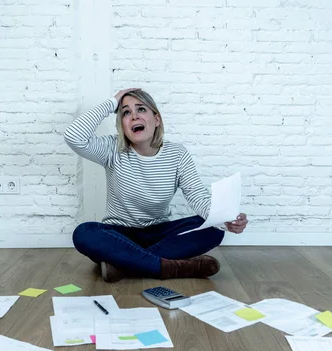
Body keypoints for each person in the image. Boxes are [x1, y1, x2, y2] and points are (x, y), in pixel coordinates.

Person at [64, 88, 248, 282]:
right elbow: (73, 136)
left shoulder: (177, 154)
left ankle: (123, 264)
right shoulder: (112, 149)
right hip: (118, 234)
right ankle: (166, 267)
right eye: (126, 112)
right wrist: (113, 101)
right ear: (122, 125)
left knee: (212, 229)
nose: (134, 116)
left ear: (156, 119)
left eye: (141, 109)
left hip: (159, 234)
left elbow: (198, 197)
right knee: (84, 233)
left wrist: (225, 219)